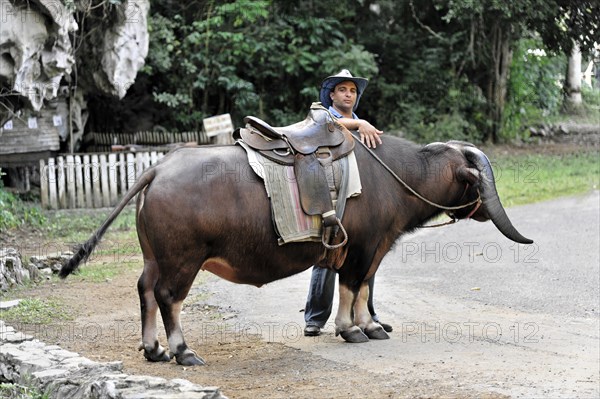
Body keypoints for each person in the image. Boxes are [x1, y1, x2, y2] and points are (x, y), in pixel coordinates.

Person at [303, 69, 391, 337]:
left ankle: (365, 313)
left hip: (359, 195)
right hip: (329, 194)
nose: (348, 94)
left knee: (366, 254)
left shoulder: (364, 126)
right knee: (327, 255)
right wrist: (359, 124)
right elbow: (326, 128)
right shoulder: (322, 114)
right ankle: (315, 318)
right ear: (332, 95)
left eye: (352, 91)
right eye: (342, 90)